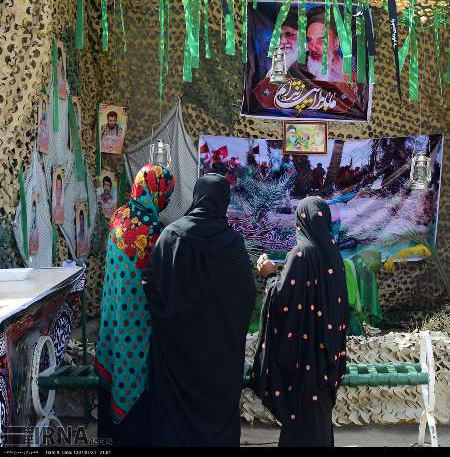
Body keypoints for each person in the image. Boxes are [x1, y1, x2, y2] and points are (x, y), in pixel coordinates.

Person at [144, 173, 256, 446]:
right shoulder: (233, 243)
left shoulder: (171, 235)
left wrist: (170, 318)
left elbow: (150, 283)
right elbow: (247, 295)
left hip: (176, 349)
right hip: (219, 355)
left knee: (174, 419)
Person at [251, 196, 349, 447]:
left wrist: (269, 275)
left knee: (301, 425)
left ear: (301, 223)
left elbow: (283, 302)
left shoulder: (301, 254)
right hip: (326, 362)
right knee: (318, 422)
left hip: (302, 361)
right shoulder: (334, 255)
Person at [94, 164, 175, 446]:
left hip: (114, 319)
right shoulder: (155, 231)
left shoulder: (118, 218)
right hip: (140, 328)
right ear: (156, 192)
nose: (166, 199)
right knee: (137, 381)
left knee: (116, 366)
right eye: (165, 192)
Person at [302, 11, 344, 82]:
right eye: (309, 40)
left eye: (321, 40)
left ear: (337, 42)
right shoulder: (298, 68)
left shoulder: (350, 73)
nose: (313, 47)